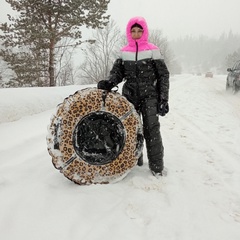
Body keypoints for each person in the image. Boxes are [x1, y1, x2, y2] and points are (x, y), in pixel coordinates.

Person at [97, 16, 169, 176]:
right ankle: (135, 161)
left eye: (139, 31)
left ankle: (157, 168)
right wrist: (109, 82)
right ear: (129, 32)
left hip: (149, 95)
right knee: (130, 130)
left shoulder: (153, 50)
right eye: (133, 31)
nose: (136, 33)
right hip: (129, 96)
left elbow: (163, 75)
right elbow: (117, 73)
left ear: (144, 32)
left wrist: (163, 98)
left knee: (152, 129)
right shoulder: (124, 52)